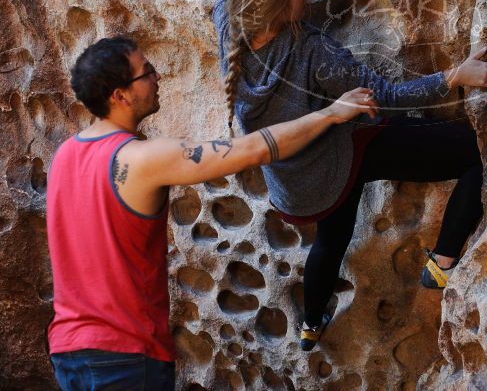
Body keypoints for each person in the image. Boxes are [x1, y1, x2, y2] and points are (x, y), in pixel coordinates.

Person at [214, 0, 487, 351]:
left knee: (331, 238)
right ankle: (443, 260)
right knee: (475, 153)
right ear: (286, 7)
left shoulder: (230, 24)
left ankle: (310, 325)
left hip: (295, 189)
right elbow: (383, 96)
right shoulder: (311, 51)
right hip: (342, 158)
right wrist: (454, 76)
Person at [46, 36, 377, 390]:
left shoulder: (63, 157)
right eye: (147, 72)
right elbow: (252, 150)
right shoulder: (140, 159)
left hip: (69, 351)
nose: (157, 77)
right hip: (123, 354)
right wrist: (330, 113)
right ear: (120, 95)